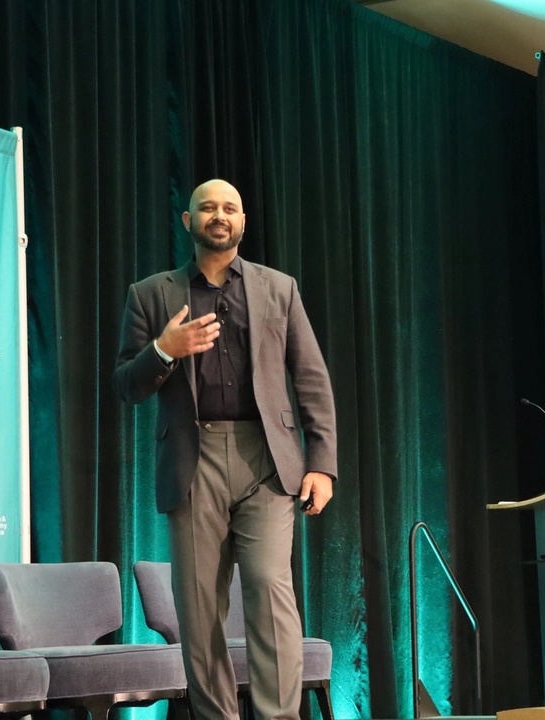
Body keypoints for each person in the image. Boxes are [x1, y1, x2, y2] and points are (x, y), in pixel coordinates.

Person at [113, 179, 337, 720]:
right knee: (197, 608)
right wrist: (164, 350)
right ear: (188, 221)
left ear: (242, 221)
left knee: (269, 589)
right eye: (208, 207)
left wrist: (322, 464)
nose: (219, 215)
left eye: (230, 208)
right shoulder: (151, 294)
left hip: (267, 460)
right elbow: (126, 385)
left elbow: (310, 377)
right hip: (194, 460)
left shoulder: (278, 288)